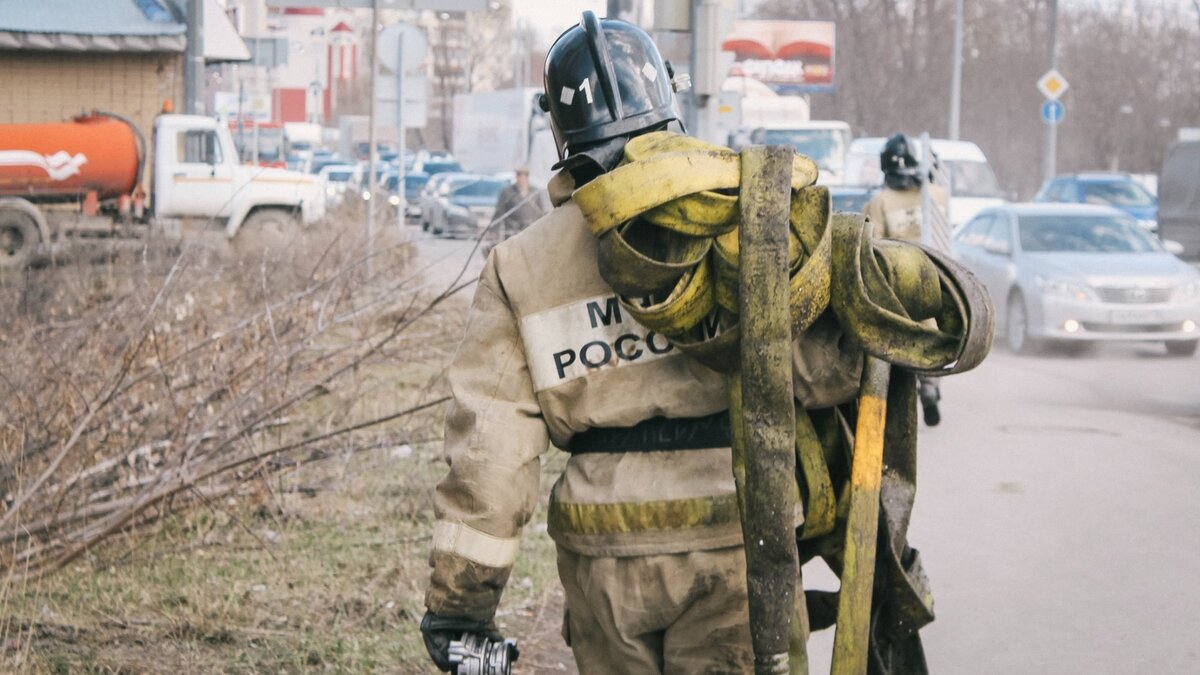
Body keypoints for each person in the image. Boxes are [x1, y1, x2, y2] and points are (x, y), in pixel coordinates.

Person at [419, 12, 867, 673]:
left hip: (604, 551)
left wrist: (462, 607)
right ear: (669, 98)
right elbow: (822, 372)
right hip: (741, 528)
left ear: (558, 127)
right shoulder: (748, 214)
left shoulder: (520, 265)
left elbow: (490, 456)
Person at [864, 133, 949, 426]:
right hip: (936, 273)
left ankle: (896, 393)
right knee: (931, 330)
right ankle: (930, 386)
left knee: (898, 334)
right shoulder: (934, 195)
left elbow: (872, 243)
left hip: (899, 277)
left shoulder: (879, 202)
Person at [492, 166, 549, 241]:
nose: (521, 179)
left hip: (531, 232)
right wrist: (494, 232)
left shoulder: (534, 192)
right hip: (512, 233)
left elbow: (541, 212)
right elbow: (499, 212)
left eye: (523, 176)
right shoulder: (508, 192)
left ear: (527, 177)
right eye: (518, 175)